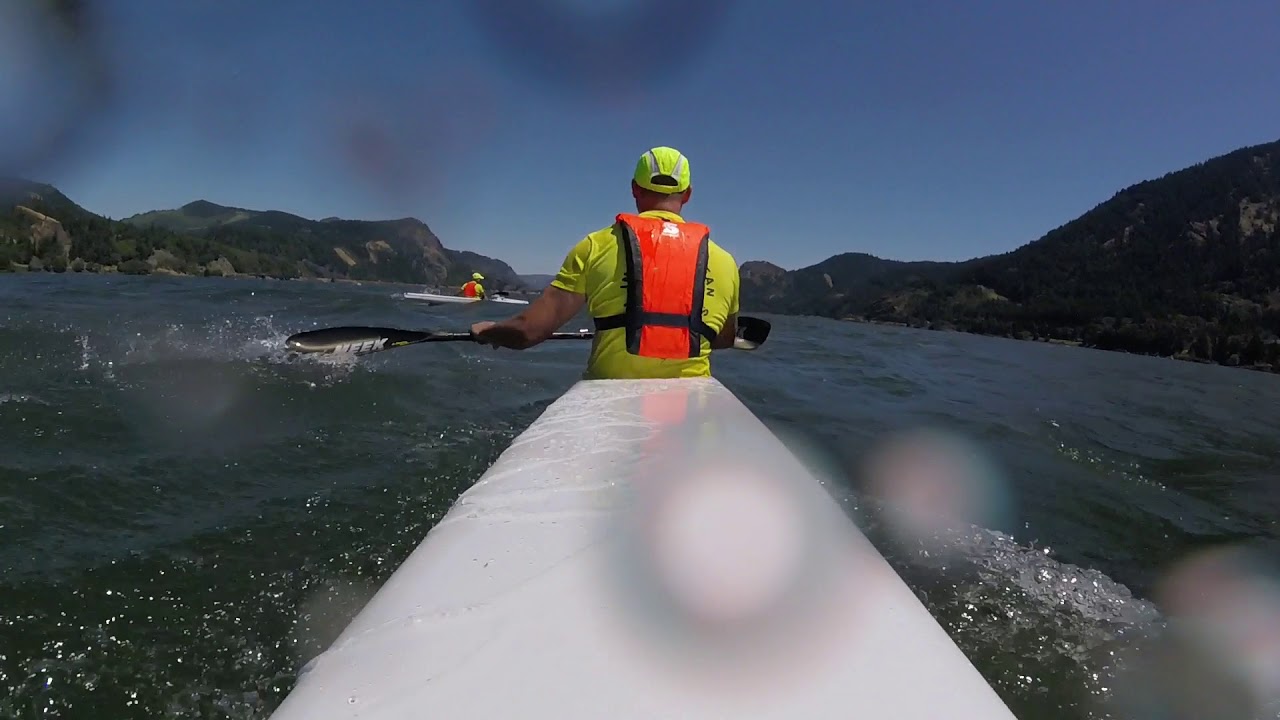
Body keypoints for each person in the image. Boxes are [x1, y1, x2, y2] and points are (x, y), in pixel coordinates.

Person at [470, 146, 740, 379]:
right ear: (688, 194)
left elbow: (528, 331)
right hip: (692, 402)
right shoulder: (726, 263)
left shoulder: (594, 247)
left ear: (635, 188)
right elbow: (724, 339)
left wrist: (491, 331)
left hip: (612, 398)